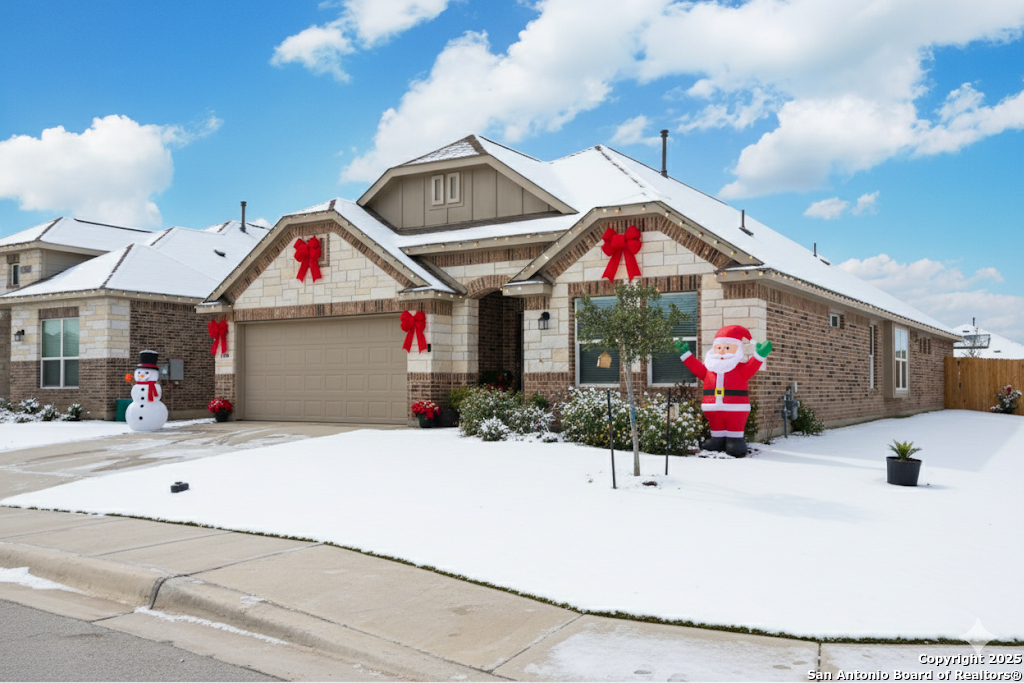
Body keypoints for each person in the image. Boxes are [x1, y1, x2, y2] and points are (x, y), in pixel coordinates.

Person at [675, 325, 772, 457]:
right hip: (713, 407)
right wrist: (685, 354)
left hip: (735, 407)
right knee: (716, 426)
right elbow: (697, 368)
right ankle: (717, 439)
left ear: (737, 349)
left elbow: (751, 367)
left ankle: (735, 440)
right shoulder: (709, 368)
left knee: (734, 431)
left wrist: (759, 355)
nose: (722, 351)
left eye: (727, 348)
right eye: (719, 348)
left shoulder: (739, 368)